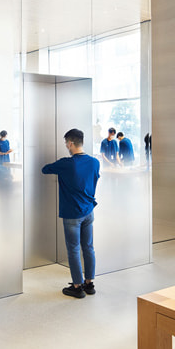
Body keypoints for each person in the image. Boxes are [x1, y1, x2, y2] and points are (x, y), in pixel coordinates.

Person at [42, 128, 100, 298]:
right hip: (88, 211)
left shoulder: (66, 164)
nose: (66, 145)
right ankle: (89, 284)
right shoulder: (94, 162)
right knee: (88, 247)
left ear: (70, 143)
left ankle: (77, 287)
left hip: (72, 214)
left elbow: (45, 169)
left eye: (66, 143)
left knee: (74, 249)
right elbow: (94, 181)